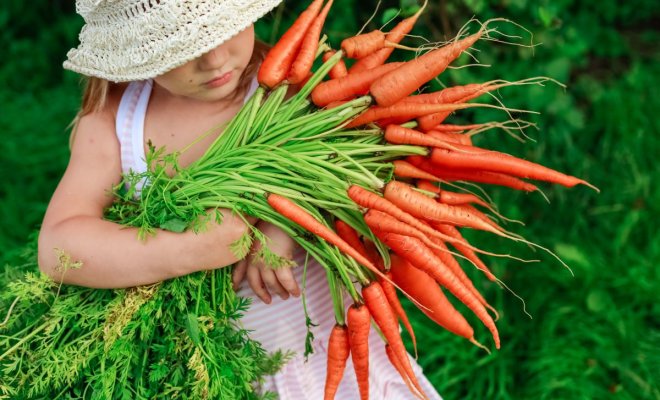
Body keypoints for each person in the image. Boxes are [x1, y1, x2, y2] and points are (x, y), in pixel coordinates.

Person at [38, 0, 443, 398]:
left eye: (223, 28)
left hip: (333, 359)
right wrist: (189, 248)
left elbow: (360, 176)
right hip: (217, 375)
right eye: (185, 45)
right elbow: (59, 247)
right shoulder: (116, 121)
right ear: (137, 50)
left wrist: (288, 218)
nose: (214, 59)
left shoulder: (294, 90)